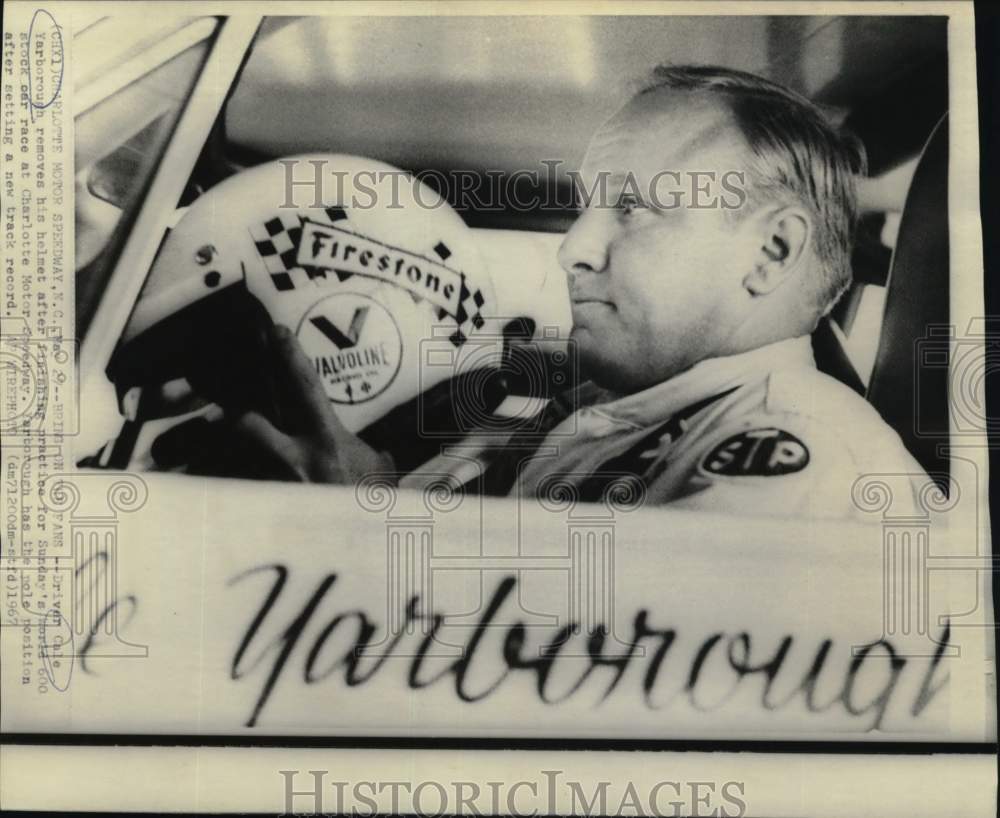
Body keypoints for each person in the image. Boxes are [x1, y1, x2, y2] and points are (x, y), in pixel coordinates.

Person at [218, 64, 930, 519]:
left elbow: (572, 706)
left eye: (633, 207)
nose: (573, 249)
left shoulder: (797, 459)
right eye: (586, 208)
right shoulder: (601, 413)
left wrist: (347, 531)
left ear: (771, 253)